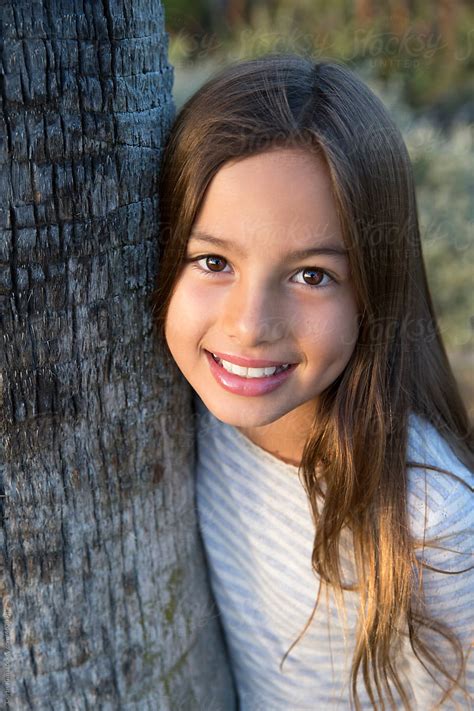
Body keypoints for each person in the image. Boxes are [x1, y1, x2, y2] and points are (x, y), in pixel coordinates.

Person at [151, 53, 473, 710]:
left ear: (371, 292)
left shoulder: (429, 523)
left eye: (311, 275)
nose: (249, 325)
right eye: (213, 260)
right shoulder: (181, 410)